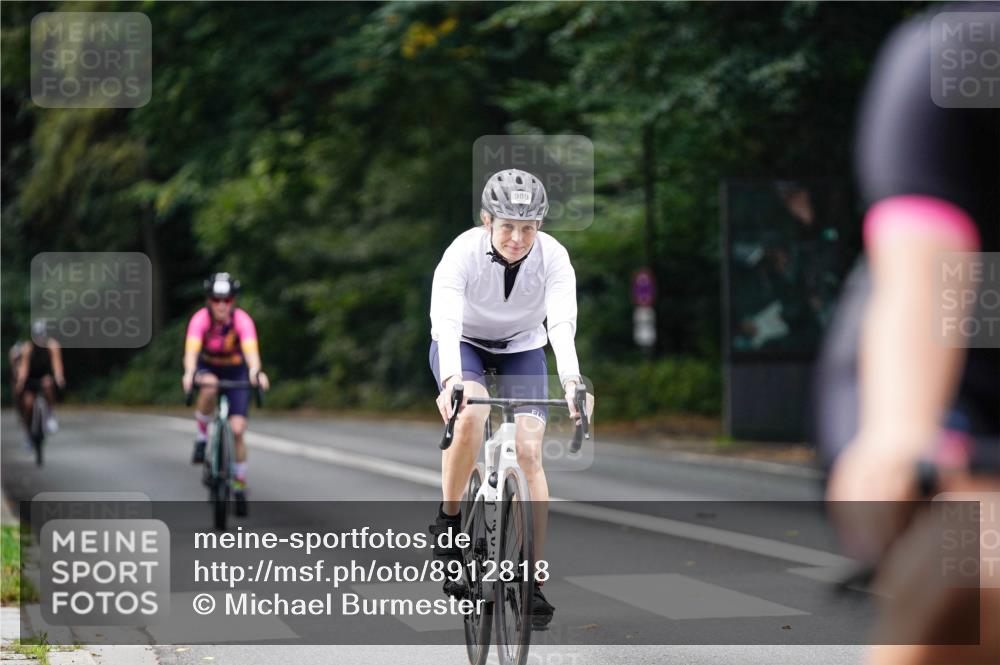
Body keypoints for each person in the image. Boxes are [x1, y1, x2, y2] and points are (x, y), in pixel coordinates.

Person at [824, 6, 999, 664]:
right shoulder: (958, 57)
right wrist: (903, 431)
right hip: (952, 360)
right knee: (973, 570)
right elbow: (921, 272)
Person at [428, 168, 593, 628]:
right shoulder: (461, 254)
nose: (517, 238)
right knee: (470, 415)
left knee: (529, 451)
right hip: (464, 345)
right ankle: (449, 518)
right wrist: (452, 381)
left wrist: (573, 381)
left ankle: (533, 580)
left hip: (523, 346)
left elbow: (560, 323)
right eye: (507, 226)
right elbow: (446, 321)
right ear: (487, 220)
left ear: (539, 226)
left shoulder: (554, 258)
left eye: (528, 228)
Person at [182, 273, 269, 508]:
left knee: (238, 429)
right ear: (209, 300)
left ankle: (239, 482)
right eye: (216, 299)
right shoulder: (200, 319)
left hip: (235, 371)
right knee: (209, 387)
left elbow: (251, 351)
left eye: (227, 300)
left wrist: (255, 372)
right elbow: (191, 351)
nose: (222, 305)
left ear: (234, 301)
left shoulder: (242, 320)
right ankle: (202, 438)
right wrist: (189, 373)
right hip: (208, 367)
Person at [14, 320, 66, 442]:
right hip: (31, 379)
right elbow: (24, 368)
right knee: (28, 404)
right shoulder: (27, 348)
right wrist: (20, 382)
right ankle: (28, 434)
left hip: (45, 377)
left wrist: (59, 377)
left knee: (48, 384)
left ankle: (50, 415)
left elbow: (57, 364)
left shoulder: (53, 346)